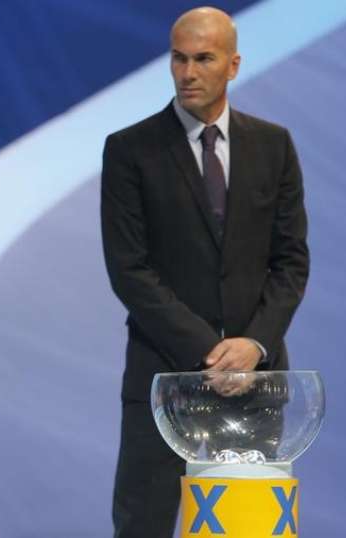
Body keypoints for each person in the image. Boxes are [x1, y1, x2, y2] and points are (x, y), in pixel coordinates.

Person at [100, 7, 309, 537]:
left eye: (203, 59)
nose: (187, 72)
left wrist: (254, 346)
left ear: (233, 65)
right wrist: (210, 353)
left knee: (247, 528)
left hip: (256, 384)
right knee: (141, 526)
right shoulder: (130, 151)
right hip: (163, 381)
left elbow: (290, 262)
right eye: (179, 58)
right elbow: (130, 270)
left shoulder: (274, 146)